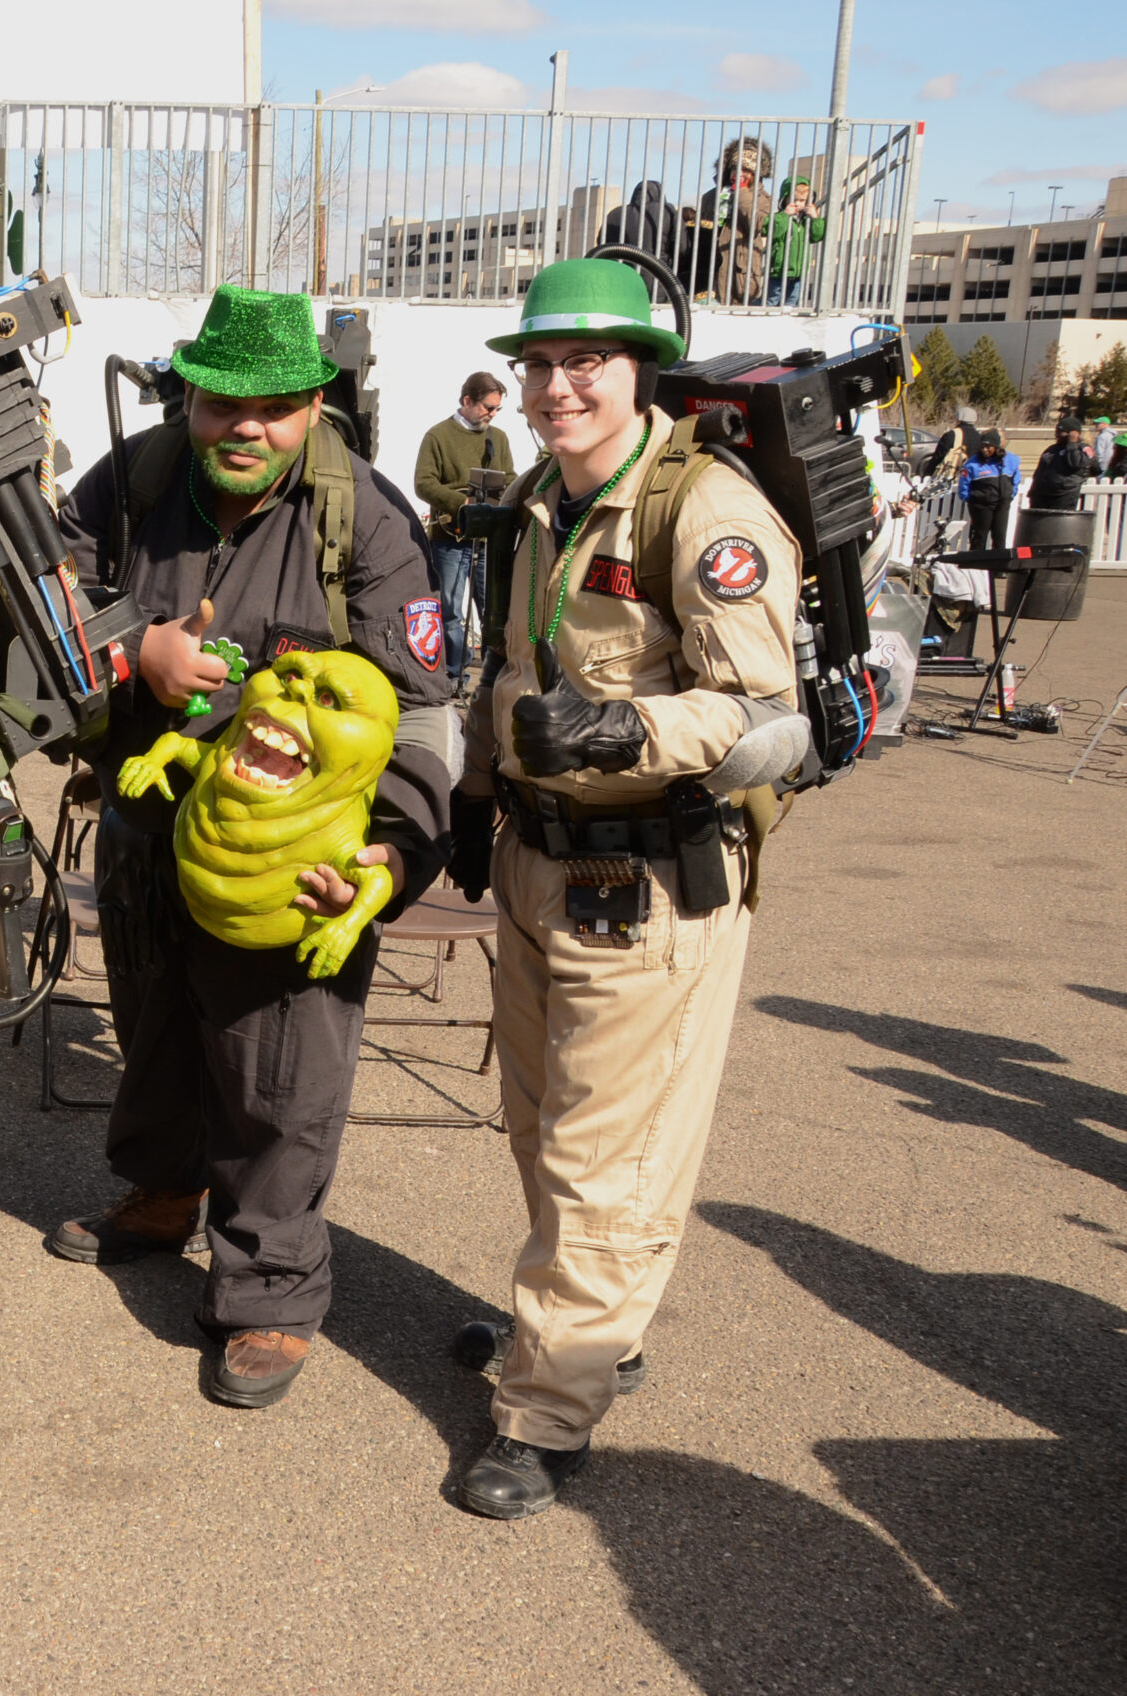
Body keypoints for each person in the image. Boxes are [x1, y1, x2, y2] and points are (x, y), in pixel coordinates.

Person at [45, 285, 455, 1409]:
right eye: (222, 402)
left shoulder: (365, 521)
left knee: (277, 1058)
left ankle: (269, 1285)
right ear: (190, 394)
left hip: (293, 853)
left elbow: (422, 713)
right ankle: (164, 1193)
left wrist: (389, 860)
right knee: (155, 1016)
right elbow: (42, 600)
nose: (244, 429)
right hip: (147, 817)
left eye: (274, 408)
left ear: (313, 405)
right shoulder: (128, 483)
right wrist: (137, 656)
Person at [448, 258, 801, 1518]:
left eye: (586, 360)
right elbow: (509, 667)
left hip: (648, 882)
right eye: (540, 362)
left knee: (607, 1159)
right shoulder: (542, 497)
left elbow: (769, 720)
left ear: (640, 366)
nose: (557, 385)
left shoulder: (704, 512)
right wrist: (477, 795)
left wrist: (618, 735)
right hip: (535, 867)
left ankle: (547, 1412)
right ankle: (591, 1330)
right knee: (542, 1129)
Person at [413, 371, 515, 686]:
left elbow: (510, 478)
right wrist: (461, 503)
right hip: (450, 538)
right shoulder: (437, 436)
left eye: (497, 409)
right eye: (488, 407)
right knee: (451, 612)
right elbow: (423, 483)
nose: (492, 414)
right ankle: (454, 675)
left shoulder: (497, 439)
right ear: (467, 400)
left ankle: (491, 679)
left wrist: (505, 497)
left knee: (493, 610)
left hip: (489, 540)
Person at [700, 138, 774, 305]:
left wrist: (742, 193)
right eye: (735, 168)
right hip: (710, 271)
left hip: (740, 274)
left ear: (756, 174)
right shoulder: (711, 196)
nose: (739, 173)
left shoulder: (762, 199)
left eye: (746, 170)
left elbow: (756, 224)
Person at [765, 176, 825, 309]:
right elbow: (773, 231)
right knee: (772, 301)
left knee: (792, 304)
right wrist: (785, 215)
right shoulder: (779, 217)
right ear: (785, 199)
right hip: (779, 271)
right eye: (794, 200)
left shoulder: (805, 221)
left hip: (798, 272)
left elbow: (817, 236)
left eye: (802, 201)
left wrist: (815, 218)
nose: (798, 204)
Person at [960, 428, 1021, 551]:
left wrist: (1010, 495)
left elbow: (1016, 479)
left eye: (989, 447)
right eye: (982, 446)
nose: (985, 450)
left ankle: (996, 568)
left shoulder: (1010, 460)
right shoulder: (973, 463)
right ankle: (975, 565)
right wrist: (969, 498)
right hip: (981, 505)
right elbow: (964, 484)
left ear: (996, 446)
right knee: (979, 537)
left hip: (1002, 504)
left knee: (999, 537)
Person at [598, 181, 680, 271]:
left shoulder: (615, 213)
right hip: (658, 273)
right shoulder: (667, 211)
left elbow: (602, 245)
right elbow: (682, 246)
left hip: (621, 273)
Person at [1031, 416, 1098, 511]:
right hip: (1043, 495)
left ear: (1073, 433)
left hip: (1064, 495)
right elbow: (1040, 471)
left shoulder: (1082, 449)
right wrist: (1033, 491)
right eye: (1057, 431)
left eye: (1061, 431)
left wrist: (1072, 444)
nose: (1057, 434)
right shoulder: (1051, 449)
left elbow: (1076, 463)